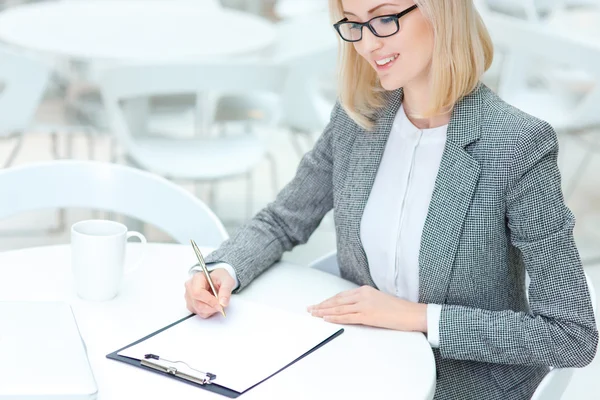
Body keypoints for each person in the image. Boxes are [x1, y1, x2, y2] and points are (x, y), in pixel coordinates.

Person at [184, 0, 598, 398]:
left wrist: (417, 318)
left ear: (441, 10)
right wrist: (225, 267)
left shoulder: (516, 145)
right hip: (360, 367)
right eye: (353, 23)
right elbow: (283, 220)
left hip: (464, 387)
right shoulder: (357, 119)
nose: (366, 43)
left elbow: (571, 334)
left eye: (384, 19)